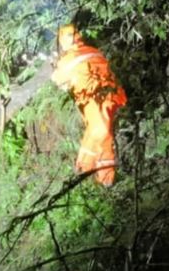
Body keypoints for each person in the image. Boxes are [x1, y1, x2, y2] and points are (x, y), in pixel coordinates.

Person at [51, 23, 127, 186]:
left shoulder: (69, 59)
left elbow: (58, 80)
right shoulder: (93, 51)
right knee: (101, 131)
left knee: (100, 131)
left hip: (94, 98)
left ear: (65, 41)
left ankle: (91, 171)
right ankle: (95, 173)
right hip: (110, 95)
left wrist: (56, 68)